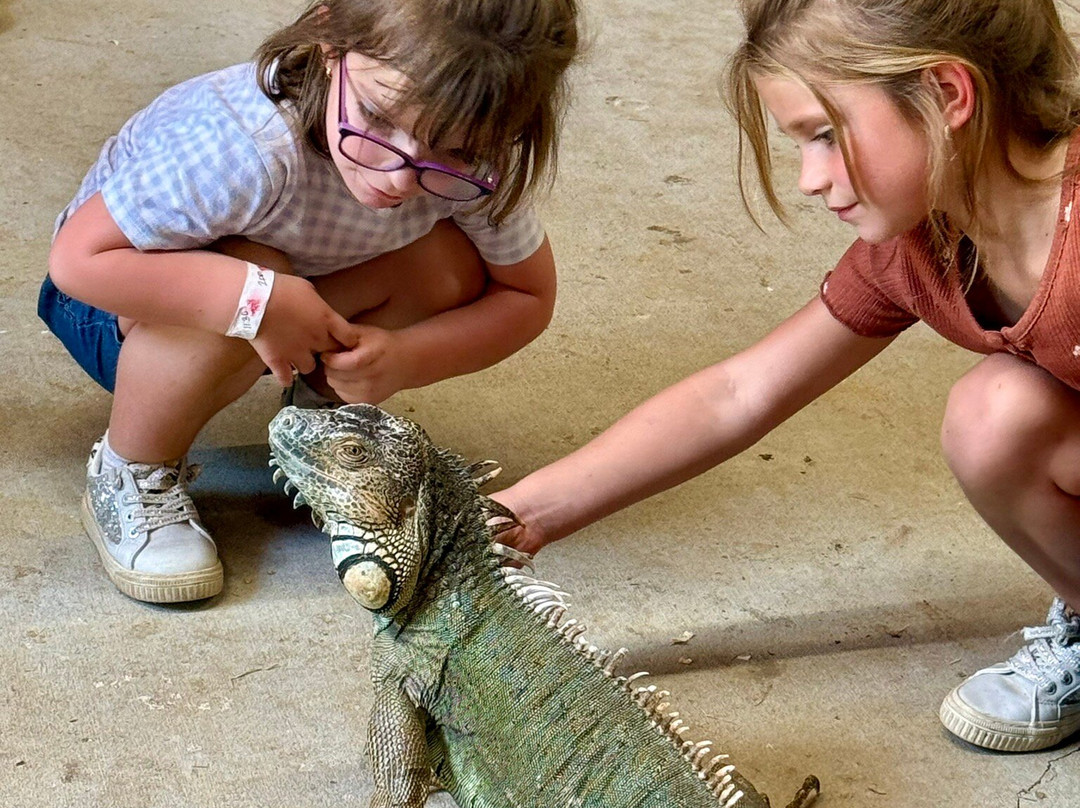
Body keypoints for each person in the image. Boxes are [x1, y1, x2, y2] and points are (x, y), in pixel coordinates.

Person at [491, 0, 1080, 753]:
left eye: (826, 135)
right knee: (996, 414)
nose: (809, 179)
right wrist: (519, 516)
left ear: (945, 94)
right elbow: (741, 393)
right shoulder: (923, 242)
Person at [40, 0, 579, 606]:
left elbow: (526, 294)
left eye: (456, 151)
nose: (399, 176)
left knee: (449, 263)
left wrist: (406, 356)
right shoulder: (246, 146)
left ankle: (321, 424)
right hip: (118, 302)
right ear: (329, 38)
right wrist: (255, 298)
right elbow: (76, 261)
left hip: (300, 285)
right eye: (377, 117)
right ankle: (132, 468)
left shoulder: (476, 149)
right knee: (254, 267)